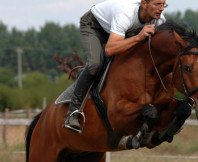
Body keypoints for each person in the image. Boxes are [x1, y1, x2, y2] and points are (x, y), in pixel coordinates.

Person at [64, 0, 167, 133]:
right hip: (94, 26)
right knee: (95, 64)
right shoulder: (126, 14)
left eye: (163, 4)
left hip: (119, 30)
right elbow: (110, 49)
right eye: (157, 4)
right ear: (144, 4)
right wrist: (138, 38)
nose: (161, 8)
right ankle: (73, 112)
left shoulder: (159, 20)